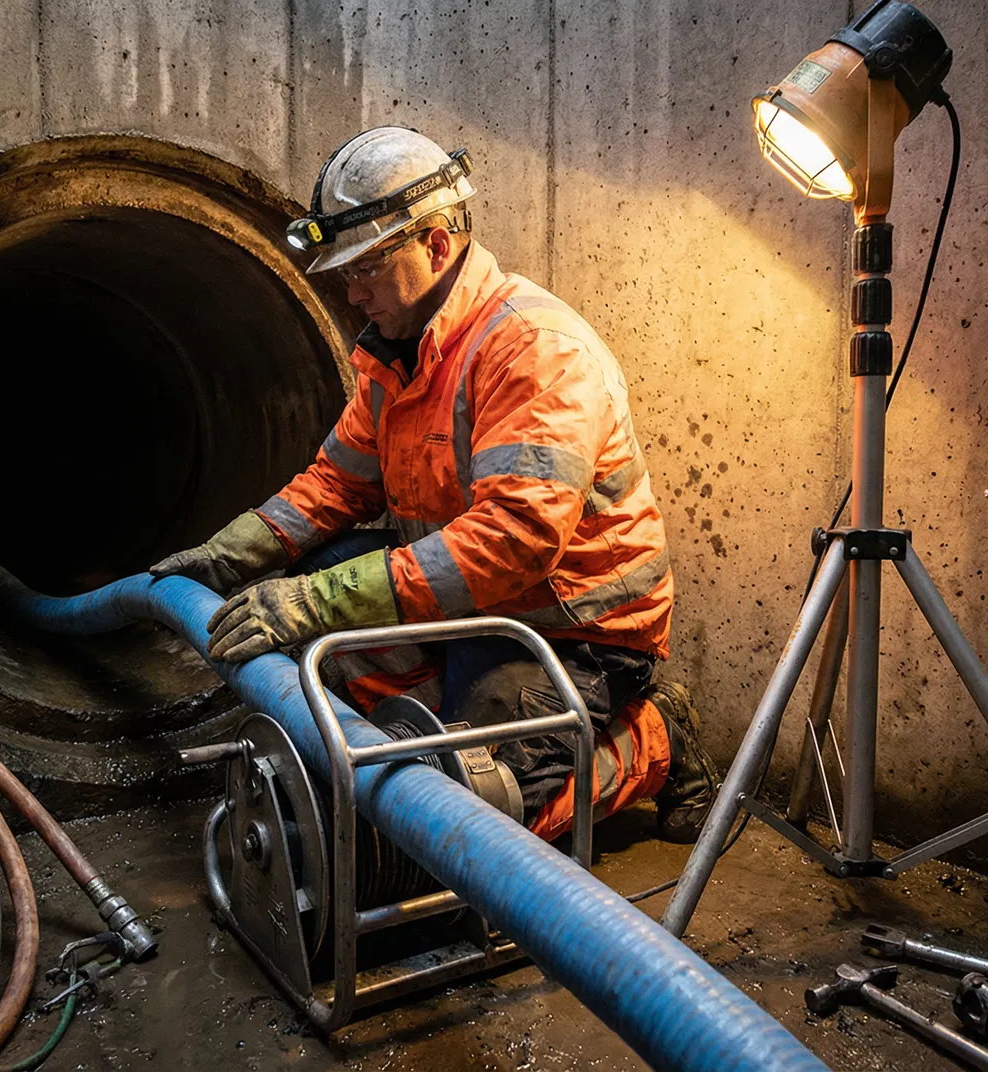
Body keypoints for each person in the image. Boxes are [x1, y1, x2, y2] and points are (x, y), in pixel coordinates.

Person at [151, 127, 717, 843]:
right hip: (469, 609)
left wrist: (313, 603)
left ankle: (654, 742)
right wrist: (227, 556)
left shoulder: (534, 349)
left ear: (437, 245)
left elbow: (513, 542)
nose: (353, 296)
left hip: (568, 632)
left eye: (366, 270)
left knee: (478, 819)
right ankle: (437, 725)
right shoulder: (399, 356)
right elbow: (336, 484)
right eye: (345, 275)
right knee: (319, 572)